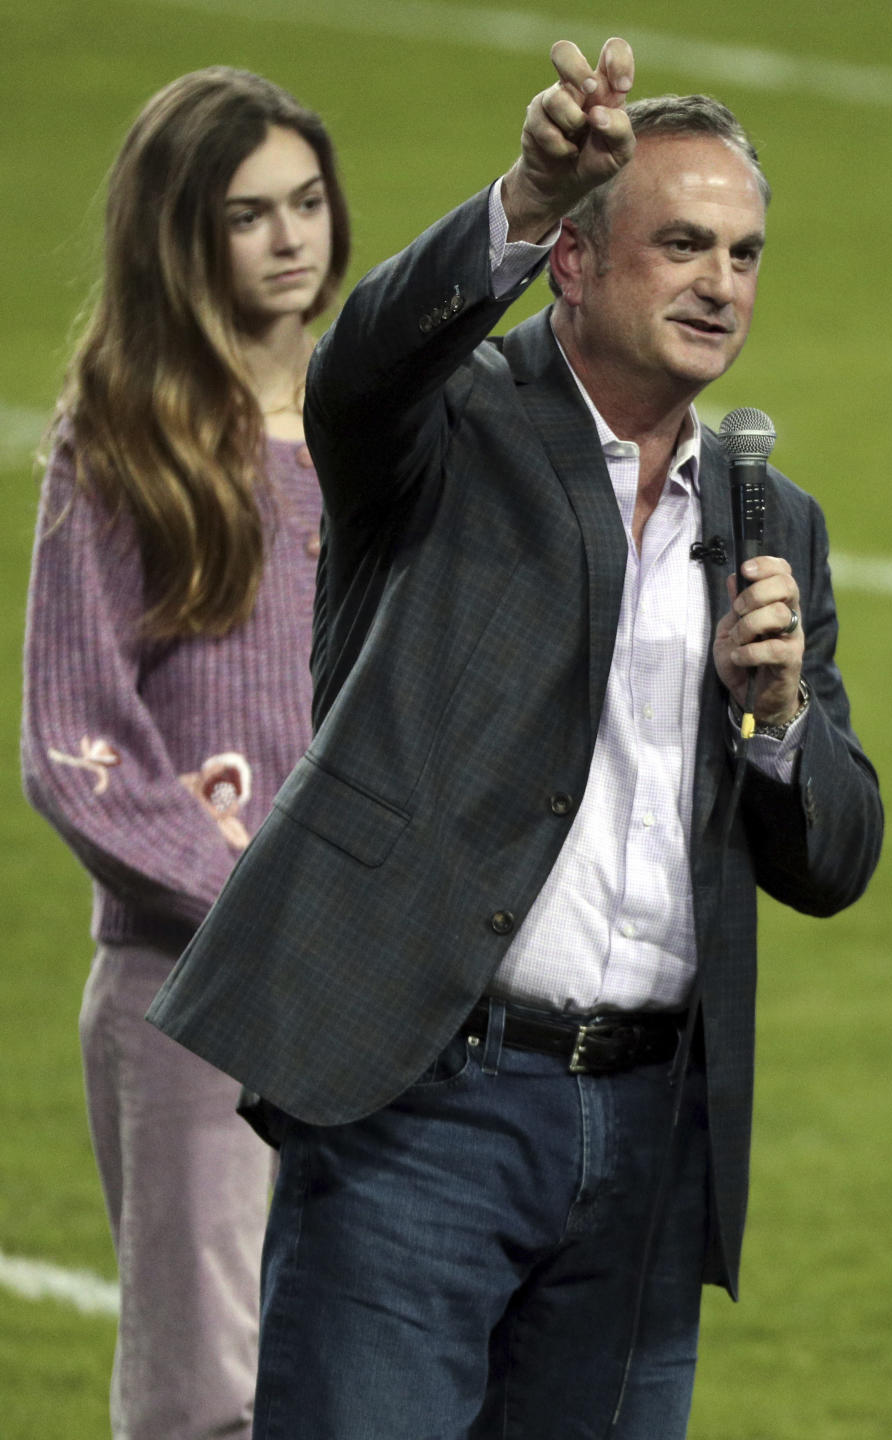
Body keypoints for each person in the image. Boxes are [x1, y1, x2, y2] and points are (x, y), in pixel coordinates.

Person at [148, 37, 882, 1440]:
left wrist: (780, 717)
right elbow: (363, 362)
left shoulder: (768, 521)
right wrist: (527, 192)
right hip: (426, 1104)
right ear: (574, 266)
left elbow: (836, 857)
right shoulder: (443, 428)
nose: (721, 282)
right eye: (680, 243)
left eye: (743, 252)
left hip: (651, 1138)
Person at [21, 67, 349, 1439]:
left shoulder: (375, 423)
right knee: (206, 1393)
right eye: (248, 214)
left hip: (380, 988)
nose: (294, 238)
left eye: (311, 202)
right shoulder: (124, 442)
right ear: (181, 238)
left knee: (366, 1364)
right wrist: (251, 911)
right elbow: (71, 739)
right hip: (194, 992)